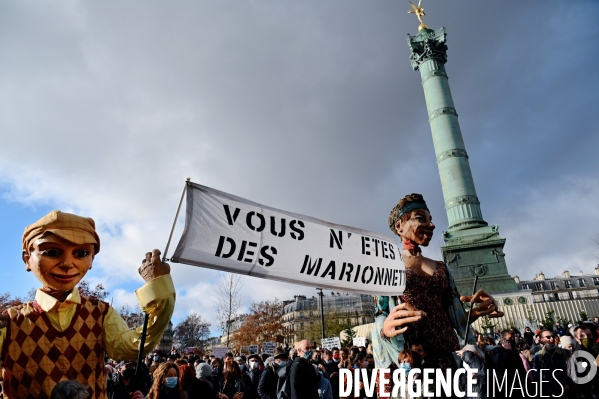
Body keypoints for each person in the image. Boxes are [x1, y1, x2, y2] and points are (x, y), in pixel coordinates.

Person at [0, 211, 176, 399]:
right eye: (52, 252)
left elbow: (132, 347)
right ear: (27, 258)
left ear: (91, 259)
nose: (68, 263)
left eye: (81, 253)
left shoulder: (100, 313)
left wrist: (159, 290)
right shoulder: (10, 322)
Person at [372, 194, 503, 372]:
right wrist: (385, 329)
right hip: (415, 358)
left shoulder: (442, 267)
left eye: (431, 220)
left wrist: (477, 311)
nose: (431, 225)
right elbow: (380, 313)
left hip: (449, 356)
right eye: (420, 218)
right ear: (399, 226)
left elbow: (453, 318)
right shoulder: (387, 266)